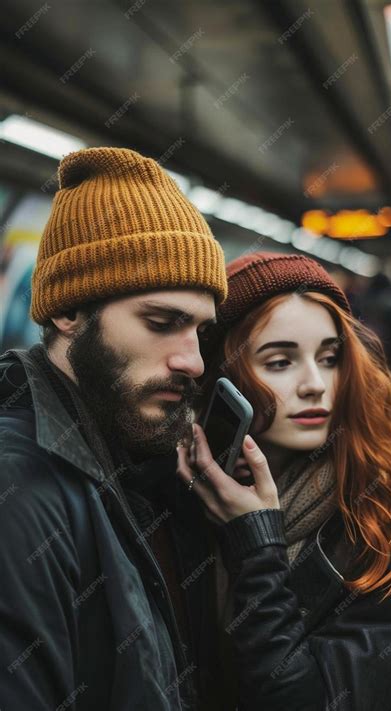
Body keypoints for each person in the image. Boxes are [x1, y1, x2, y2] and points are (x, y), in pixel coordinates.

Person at [0, 146, 229, 710]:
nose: (194, 361)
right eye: (161, 322)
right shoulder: (19, 494)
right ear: (69, 312)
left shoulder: (135, 460)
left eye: (199, 330)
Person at [177, 251, 391, 711]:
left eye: (329, 358)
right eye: (280, 362)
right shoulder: (172, 499)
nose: (315, 384)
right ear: (223, 379)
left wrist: (257, 544)